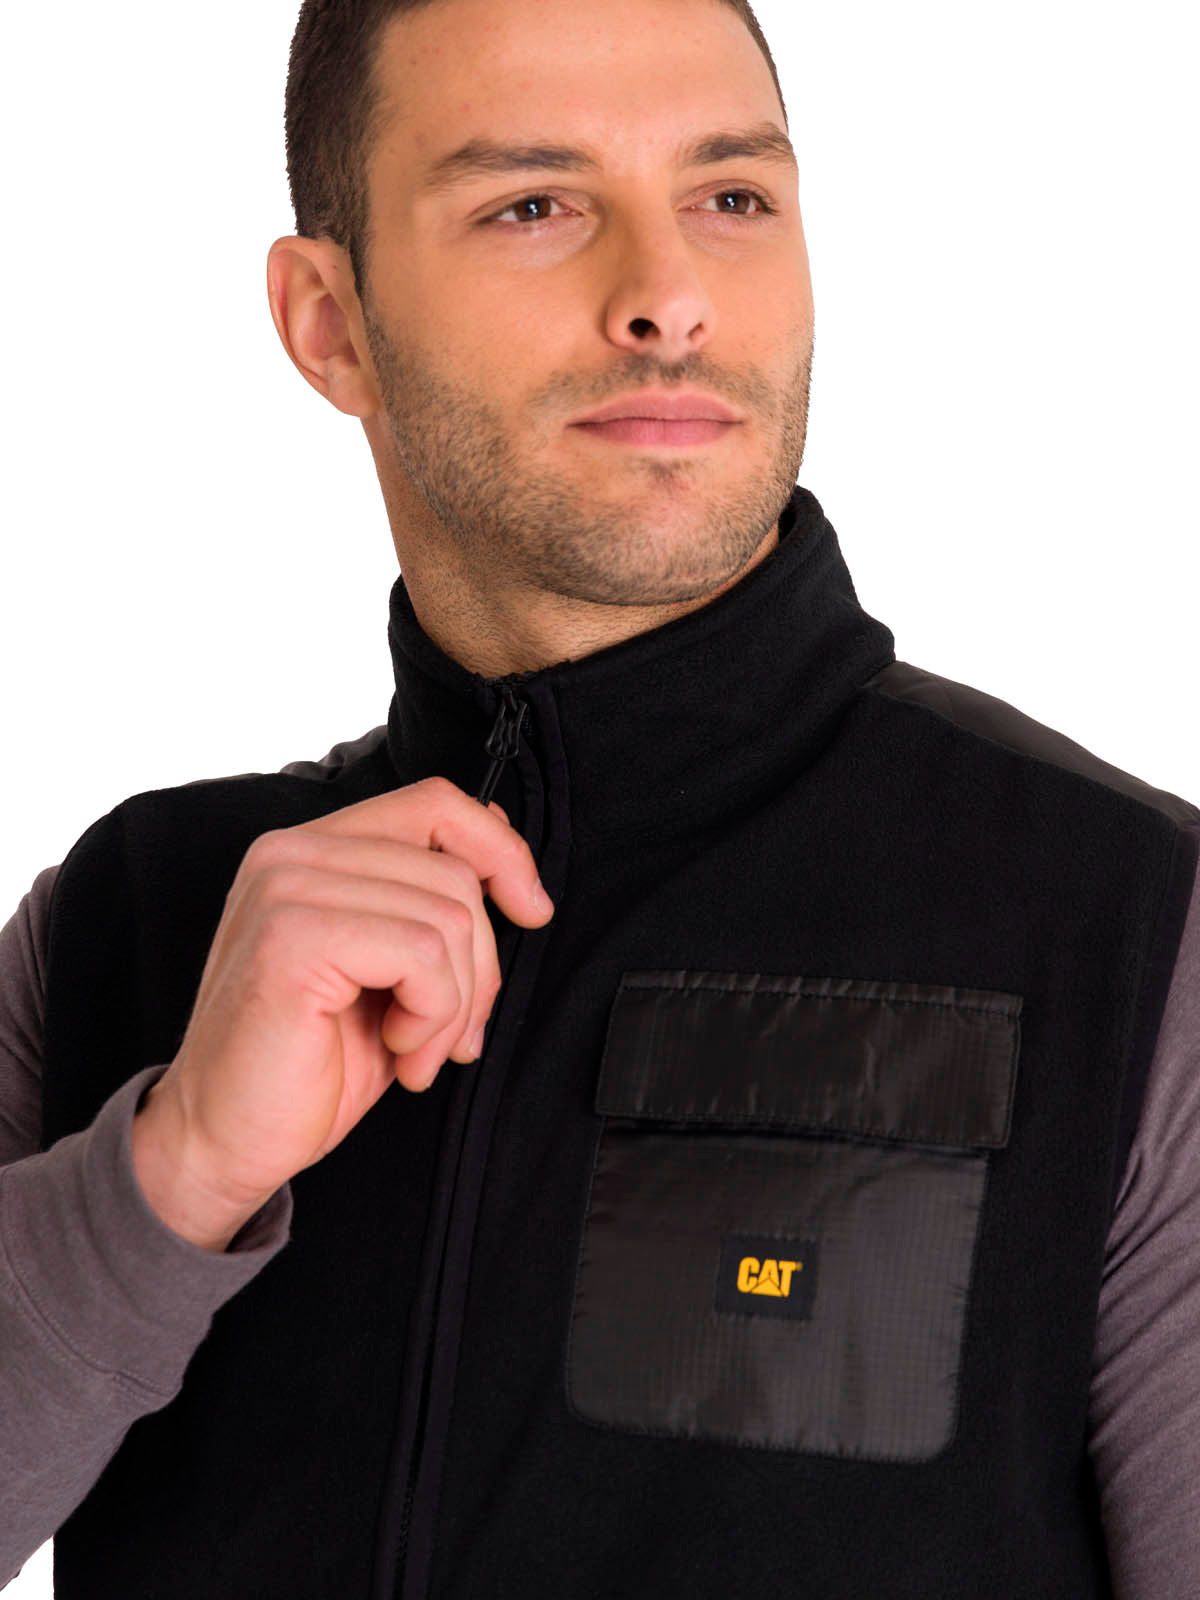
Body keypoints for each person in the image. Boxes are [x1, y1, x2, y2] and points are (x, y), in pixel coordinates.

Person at [2, 0, 1198, 1594]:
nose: (669, 294)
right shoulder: (129, 921)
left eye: (732, 195)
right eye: (534, 204)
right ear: (329, 325)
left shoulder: (1134, 926)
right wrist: (171, 1177)